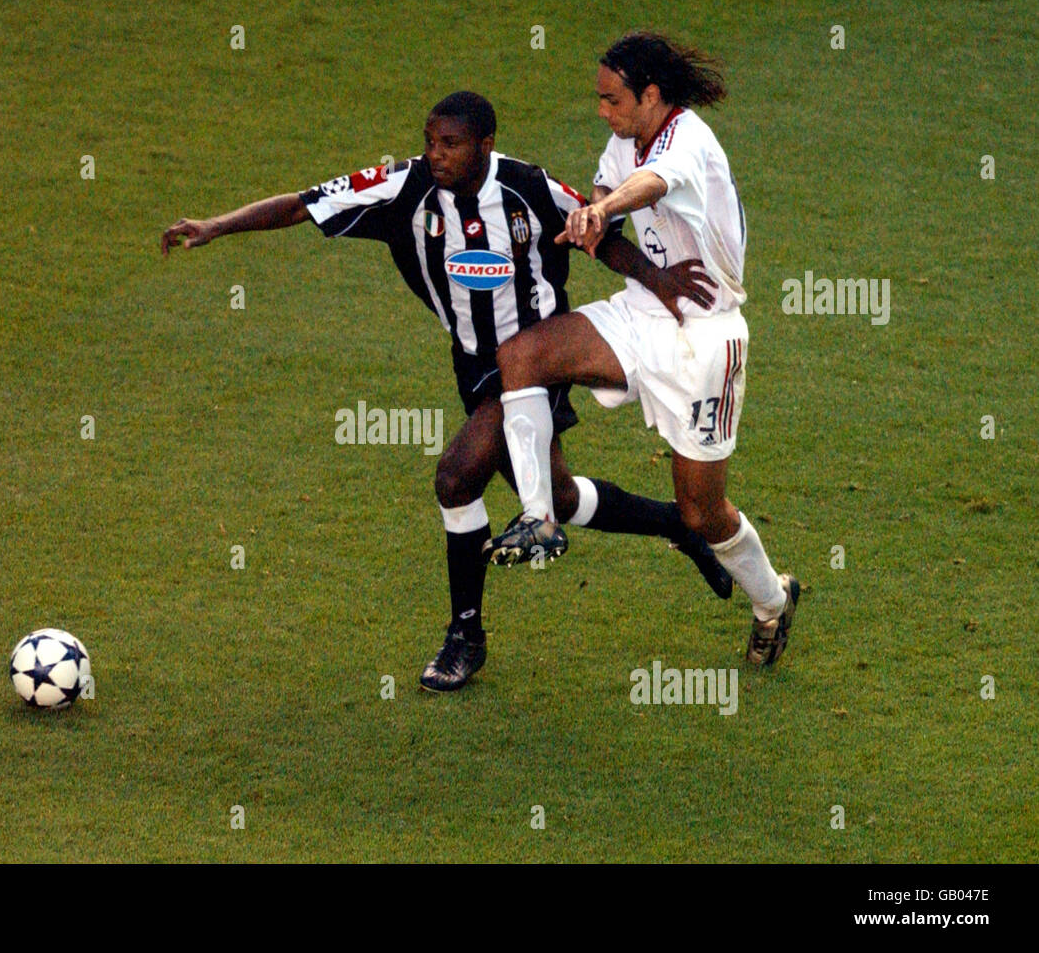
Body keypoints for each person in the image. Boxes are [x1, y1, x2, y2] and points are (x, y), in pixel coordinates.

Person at [162, 91, 730, 691]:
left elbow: (598, 236)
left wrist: (658, 279)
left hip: (538, 363)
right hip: (474, 370)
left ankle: (466, 637)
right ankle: (679, 526)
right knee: (559, 498)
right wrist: (217, 227)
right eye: (431, 142)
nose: (436, 154)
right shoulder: (401, 188)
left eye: (451, 144)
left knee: (456, 477)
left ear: (485, 144)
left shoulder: (528, 188)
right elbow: (304, 205)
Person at [485, 36, 800, 666]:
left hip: (706, 337)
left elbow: (650, 186)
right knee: (522, 356)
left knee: (701, 511)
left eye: (612, 98)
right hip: (640, 314)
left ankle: (772, 599)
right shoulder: (624, 141)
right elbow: (611, 199)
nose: (602, 110)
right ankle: (540, 518)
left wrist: (604, 208)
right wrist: (598, 221)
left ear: (650, 95)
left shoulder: (689, 139)